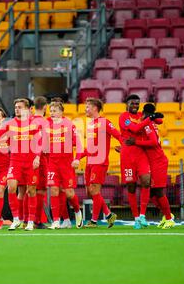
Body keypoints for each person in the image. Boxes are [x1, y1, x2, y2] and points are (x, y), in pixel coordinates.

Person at [0, 98, 42, 231]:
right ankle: (16, 219)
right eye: (15, 107)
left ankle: (30, 221)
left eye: (20, 107)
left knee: (31, 190)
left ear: (27, 109)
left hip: (30, 161)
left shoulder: (34, 123)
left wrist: (37, 157)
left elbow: (39, 141)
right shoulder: (10, 124)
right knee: (11, 187)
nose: (17, 109)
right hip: (15, 161)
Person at [73, 98, 121, 228]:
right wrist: (78, 157)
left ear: (95, 108)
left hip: (100, 162)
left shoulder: (105, 122)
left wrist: (123, 147)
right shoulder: (90, 125)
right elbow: (89, 148)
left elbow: (119, 135)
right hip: (89, 162)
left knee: (94, 190)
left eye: (87, 107)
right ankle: (109, 214)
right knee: (90, 191)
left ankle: (93, 221)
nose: (85, 109)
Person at [126, 103, 175, 229]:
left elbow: (153, 141)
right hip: (154, 161)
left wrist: (135, 142)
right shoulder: (152, 122)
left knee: (158, 191)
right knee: (152, 192)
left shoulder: (148, 124)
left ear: (144, 113)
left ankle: (169, 218)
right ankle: (167, 214)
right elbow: (159, 120)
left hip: (158, 161)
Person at [118, 94, 162, 230]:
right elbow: (135, 129)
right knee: (131, 186)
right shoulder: (123, 117)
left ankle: (142, 215)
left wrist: (152, 117)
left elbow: (159, 121)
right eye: (132, 103)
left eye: (137, 104)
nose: (135, 106)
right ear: (127, 104)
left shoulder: (141, 116)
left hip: (141, 154)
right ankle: (136, 218)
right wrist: (150, 118)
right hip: (127, 156)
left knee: (146, 181)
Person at [47, 98, 83, 229]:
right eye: (50, 111)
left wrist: (77, 158)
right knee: (54, 190)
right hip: (52, 162)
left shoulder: (69, 125)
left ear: (61, 112)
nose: (52, 113)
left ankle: (78, 211)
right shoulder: (48, 126)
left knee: (68, 193)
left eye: (55, 111)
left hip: (66, 163)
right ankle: (56, 220)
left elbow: (79, 144)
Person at [30, 96, 50, 229]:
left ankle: (25, 219)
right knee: (41, 190)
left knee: (28, 190)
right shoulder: (44, 122)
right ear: (45, 107)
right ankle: (36, 220)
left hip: (25, 158)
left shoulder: (27, 120)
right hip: (40, 159)